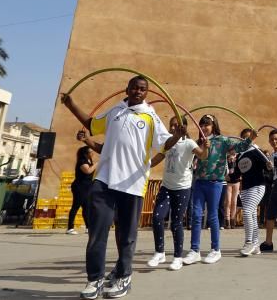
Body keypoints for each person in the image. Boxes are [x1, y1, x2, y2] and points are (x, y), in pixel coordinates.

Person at [60, 75, 182, 300]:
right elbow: (91, 124)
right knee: (97, 230)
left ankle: (124, 275)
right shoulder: (115, 110)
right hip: (104, 180)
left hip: (132, 184)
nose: (138, 91)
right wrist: (71, 105)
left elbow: (164, 144)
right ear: (127, 88)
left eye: (143, 89)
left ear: (147, 93)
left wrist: (176, 136)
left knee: (126, 235)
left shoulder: (151, 116)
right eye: (134, 87)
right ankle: (94, 279)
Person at [185, 113, 256, 266]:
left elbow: (240, 146)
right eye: (202, 125)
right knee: (196, 215)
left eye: (207, 124)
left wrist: (251, 138)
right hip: (199, 182)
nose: (204, 127)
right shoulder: (200, 142)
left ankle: (215, 250)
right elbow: (194, 157)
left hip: (215, 183)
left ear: (214, 125)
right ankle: (194, 250)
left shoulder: (223, 141)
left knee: (212, 216)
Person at [146, 116, 207, 270]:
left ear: (184, 127)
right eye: (171, 125)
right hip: (166, 186)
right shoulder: (168, 142)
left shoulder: (189, 143)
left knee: (176, 223)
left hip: (182, 188)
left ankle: (178, 257)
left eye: (176, 125)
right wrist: (143, 165)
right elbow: (158, 157)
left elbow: (202, 155)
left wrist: (206, 147)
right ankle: (159, 252)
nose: (172, 128)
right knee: (157, 217)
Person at [230, 128, 271, 256]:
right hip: (246, 189)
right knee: (252, 215)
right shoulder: (240, 155)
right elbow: (236, 175)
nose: (248, 140)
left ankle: (248, 243)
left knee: (247, 212)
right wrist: (224, 176)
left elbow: (267, 166)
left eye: (250, 137)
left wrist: (269, 166)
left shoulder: (256, 151)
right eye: (245, 138)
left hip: (258, 186)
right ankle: (256, 245)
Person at [67, 132, 98, 234]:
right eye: (90, 151)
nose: (92, 152)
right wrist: (97, 164)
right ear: (86, 153)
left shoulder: (89, 162)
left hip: (87, 187)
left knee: (86, 207)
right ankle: (70, 228)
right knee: (76, 206)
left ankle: (88, 227)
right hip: (80, 187)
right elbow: (88, 171)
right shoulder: (82, 162)